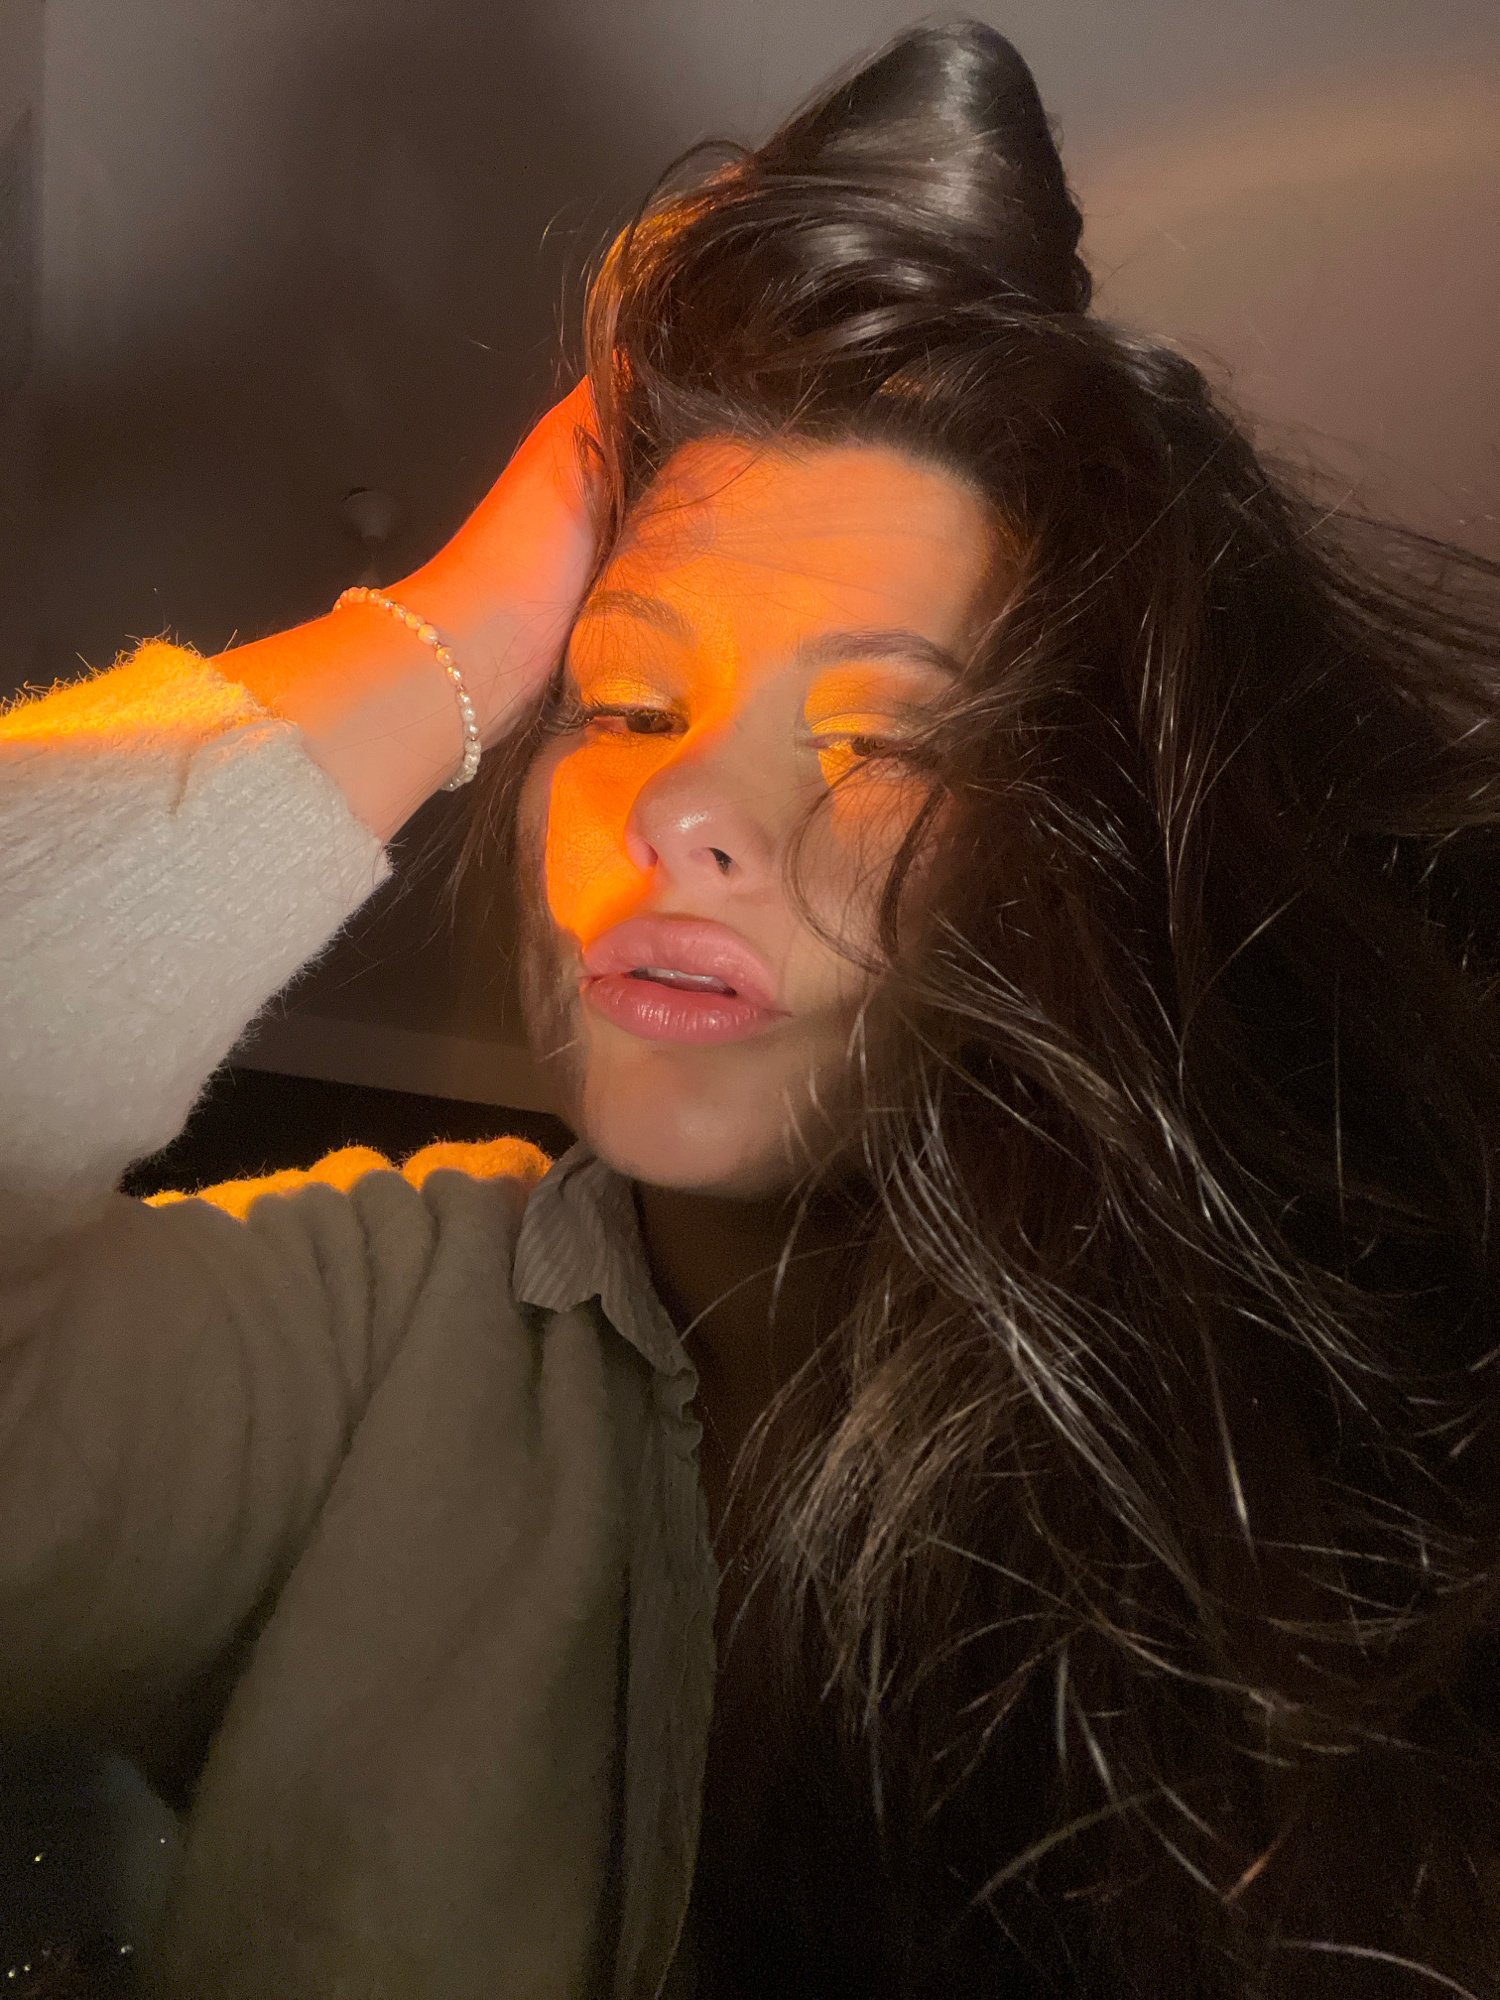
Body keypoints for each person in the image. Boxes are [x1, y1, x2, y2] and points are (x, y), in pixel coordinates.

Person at [3, 18, 1499, 1998]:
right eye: (626, 704)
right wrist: (466, 618)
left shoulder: (1339, 1463)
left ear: (1088, 854)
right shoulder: (376, 1336)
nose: (687, 806)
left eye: (887, 741)